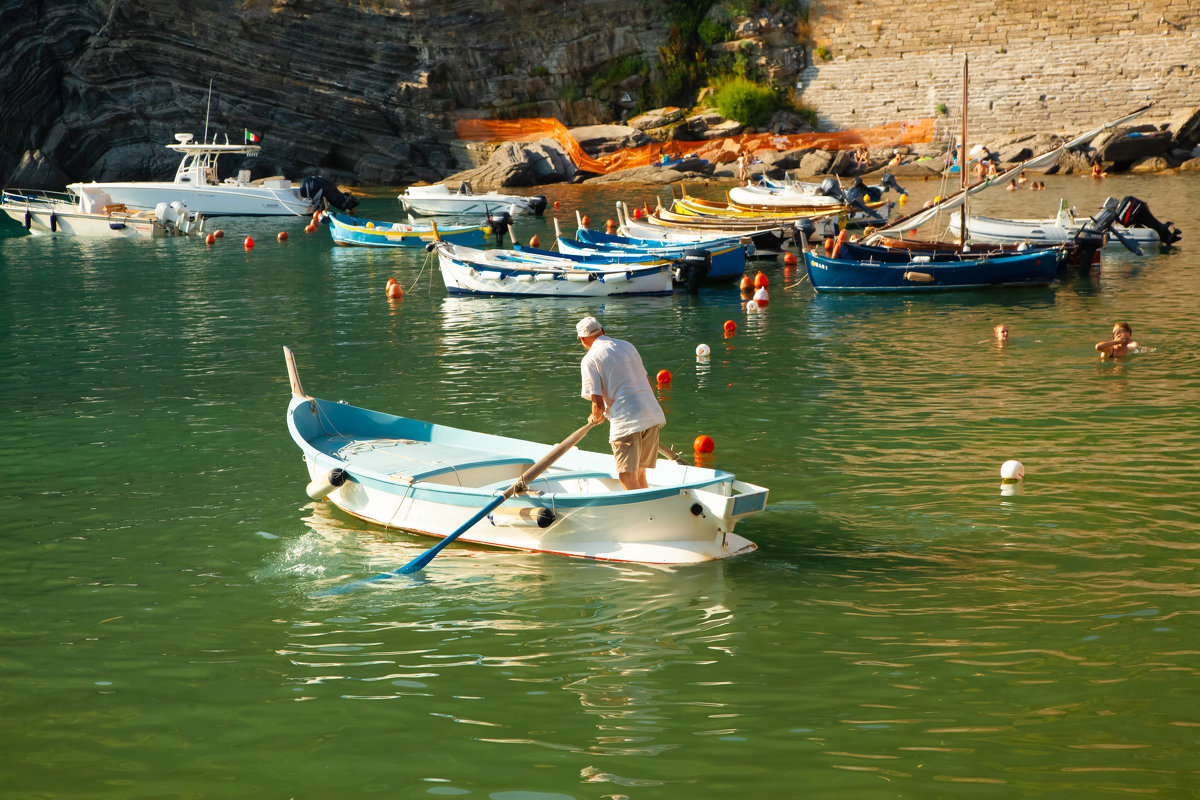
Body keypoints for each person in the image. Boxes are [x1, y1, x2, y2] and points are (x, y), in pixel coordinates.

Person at [576, 316, 666, 490]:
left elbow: (598, 406)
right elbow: (650, 386)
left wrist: (594, 418)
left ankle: (641, 513)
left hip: (627, 421)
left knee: (626, 477)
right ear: (602, 331)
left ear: (582, 339)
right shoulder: (628, 346)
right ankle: (648, 510)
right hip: (652, 414)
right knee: (640, 475)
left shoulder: (589, 359)